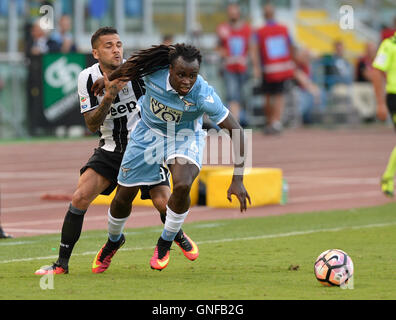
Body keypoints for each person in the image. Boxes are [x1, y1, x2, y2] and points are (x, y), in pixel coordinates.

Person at [34, 27, 196, 275]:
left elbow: (169, 55)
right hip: (111, 148)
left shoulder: (137, 72)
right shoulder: (86, 78)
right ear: (95, 52)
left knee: (163, 203)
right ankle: (61, 264)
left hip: (145, 148)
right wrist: (109, 96)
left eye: (119, 44)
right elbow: (91, 124)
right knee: (79, 198)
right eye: (109, 45)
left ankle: (176, 233)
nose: (116, 49)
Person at [91, 43, 251, 271]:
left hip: (184, 137)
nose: (187, 81)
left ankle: (165, 241)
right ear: (169, 70)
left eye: (192, 75)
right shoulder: (153, 72)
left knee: (184, 184)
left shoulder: (203, 94)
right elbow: (130, 67)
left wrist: (238, 178)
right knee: (123, 196)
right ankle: (113, 241)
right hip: (147, 133)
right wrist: (108, 77)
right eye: (181, 75)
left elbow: (237, 131)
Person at [250, 3, 295, 135]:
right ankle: (276, 122)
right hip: (281, 68)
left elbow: (254, 50)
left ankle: (271, 121)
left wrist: (256, 67)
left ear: (264, 15)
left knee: (268, 96)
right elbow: (291, 46)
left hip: (268, 69)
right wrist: (291, 62)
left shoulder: (259, 31)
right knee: (279, 95)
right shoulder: (283, 29)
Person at [216, 2, 251, 124]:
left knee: (240, 95)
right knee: (232, 95)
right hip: (229, 67)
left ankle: (237, 119)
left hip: (242, 67)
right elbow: (219, 47)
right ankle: (235, 121)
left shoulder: (247, 29)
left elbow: (251, 47)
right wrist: (223, 55)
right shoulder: (223, 29)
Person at [372, 31, 396, 197]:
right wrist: (380, 103)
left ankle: (387, 177)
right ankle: (387, 177)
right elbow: (377, 71)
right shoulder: (389, 45)